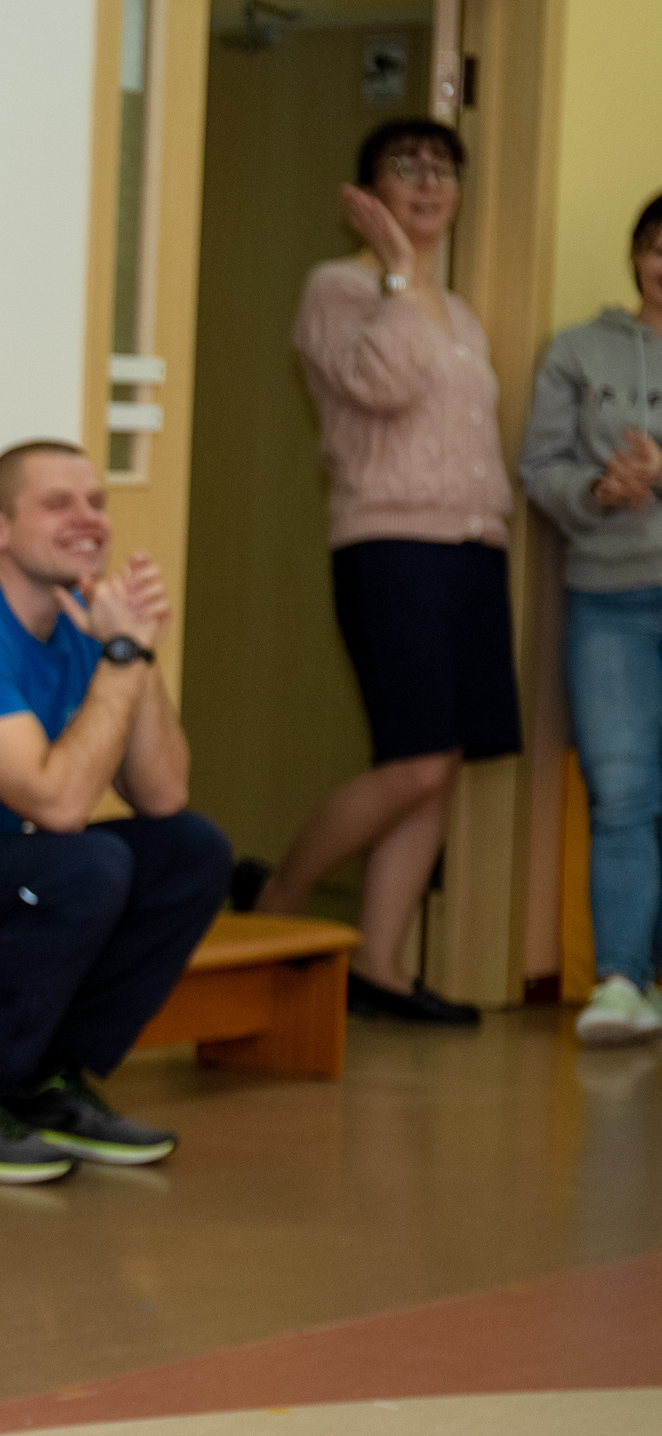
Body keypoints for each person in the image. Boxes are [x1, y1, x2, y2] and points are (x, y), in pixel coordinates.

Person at [0, 441, 231, 1186]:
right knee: (85, 865)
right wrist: (124, 653)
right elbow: (59, 803)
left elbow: (163, 795)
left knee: (189, 850)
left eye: (96, 501)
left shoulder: (82, 628)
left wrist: (132, 650)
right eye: (57, 503)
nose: (87, 518)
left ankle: (46, 1079)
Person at [243, 118, 517, 1025]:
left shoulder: (461, 310)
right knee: (414, 760)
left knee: (436, 766)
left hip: (473, 548)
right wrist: (398, 273)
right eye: (407, 167)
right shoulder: (341, 287)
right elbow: (383, 387)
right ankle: (278, 900)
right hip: (389, 546)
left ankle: (383, 967)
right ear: (367, 194)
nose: (429, 183)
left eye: (443, 169)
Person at [520, 193, 662, 1044]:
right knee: (622, 792)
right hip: (609, 596)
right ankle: (621, 982)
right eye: (653, 246)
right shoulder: (578, 349)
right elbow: (540, 465)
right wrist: (595, 490)